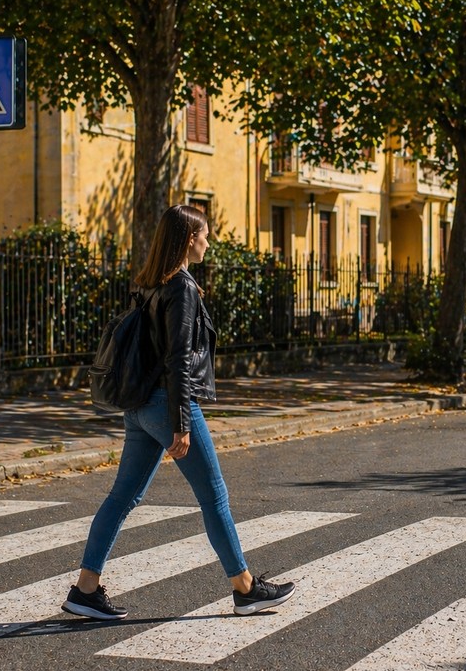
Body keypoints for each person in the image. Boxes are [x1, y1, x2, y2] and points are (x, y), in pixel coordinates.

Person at [61, 204, 295, 620]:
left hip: (138, 407)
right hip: (166, 406)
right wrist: (181, 423)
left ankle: (85, 589)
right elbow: (178, 361)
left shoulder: (151, 282)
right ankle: (245, 588)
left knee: (122, 497)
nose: (209, 241)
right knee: (215, 497)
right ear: (190, 239)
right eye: (206, 234)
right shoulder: (182, 287)